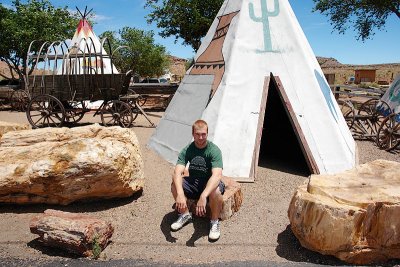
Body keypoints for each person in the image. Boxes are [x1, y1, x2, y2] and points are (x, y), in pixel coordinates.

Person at [170, 119, 225, 241]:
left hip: (209, 182)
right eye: (197, 134)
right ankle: (185, 214)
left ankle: (214, 221)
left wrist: (204, 196)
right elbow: (177, 171)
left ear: (207, 133)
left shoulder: (214, 150)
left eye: (203, 134)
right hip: (194, 182)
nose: (200, 137)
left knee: (215, 191)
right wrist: (179, 193)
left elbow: (217, 175)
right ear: (193, 134)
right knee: (175, 184)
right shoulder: (187, 150)